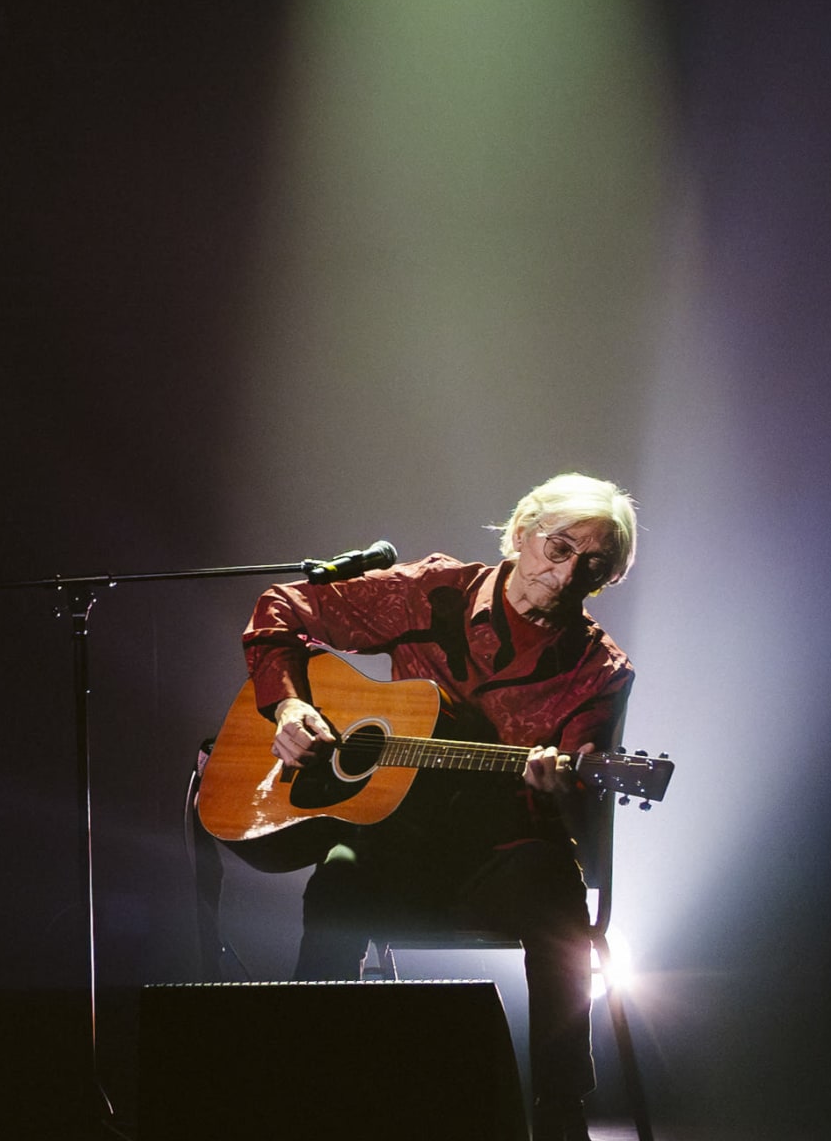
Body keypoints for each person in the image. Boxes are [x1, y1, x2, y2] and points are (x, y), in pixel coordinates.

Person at [241, 472, 637, 1141]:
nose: (568, 575)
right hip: (397, 839)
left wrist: (560, 784)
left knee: (557, 901)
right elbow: (281, 606)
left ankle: (559, 1113)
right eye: (560, 548)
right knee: (337, 879)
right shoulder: (432, 593)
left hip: (498, 856)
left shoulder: (599, 671)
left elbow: (583, 795)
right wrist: (289, 702)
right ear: (519, 535)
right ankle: (308, 1098)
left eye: (593, 566)